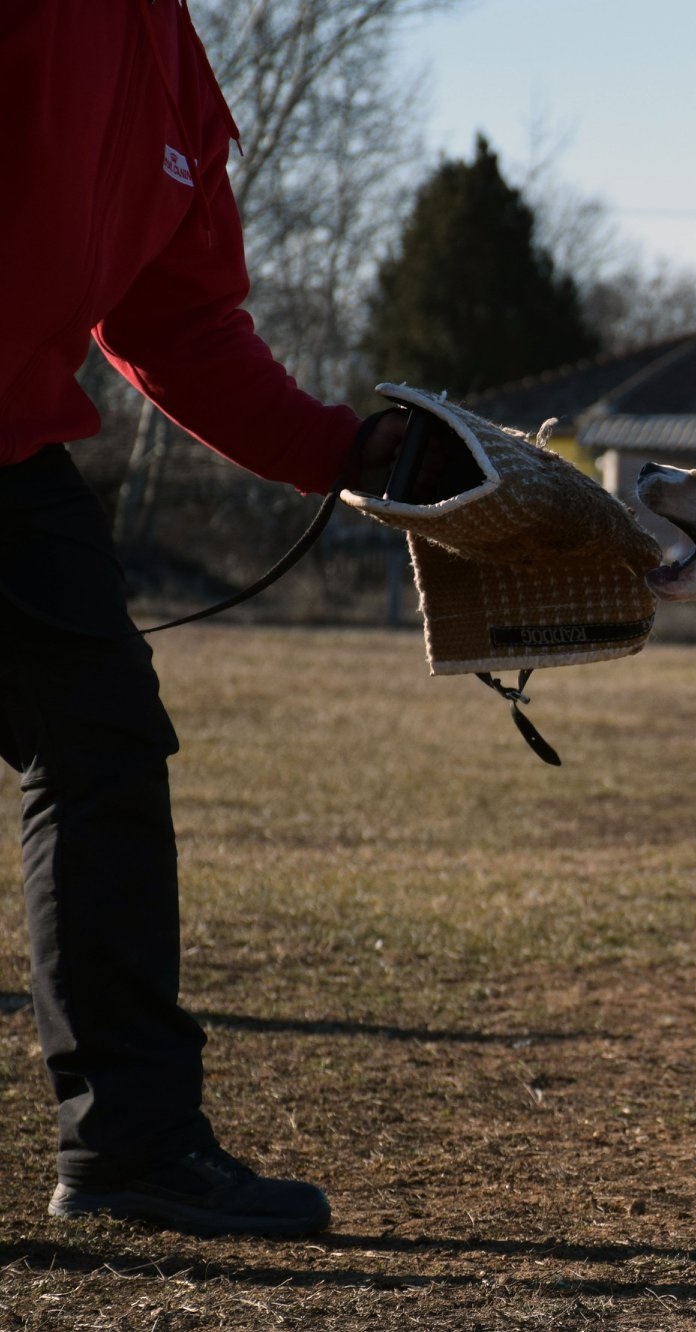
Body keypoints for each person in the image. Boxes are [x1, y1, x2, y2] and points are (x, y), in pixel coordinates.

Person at [0, 0, 406, 1236]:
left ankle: (128, 1144)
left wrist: (353, 451)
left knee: (105, 750)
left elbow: (176, 323)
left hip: (14, 452)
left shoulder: (167, 60)